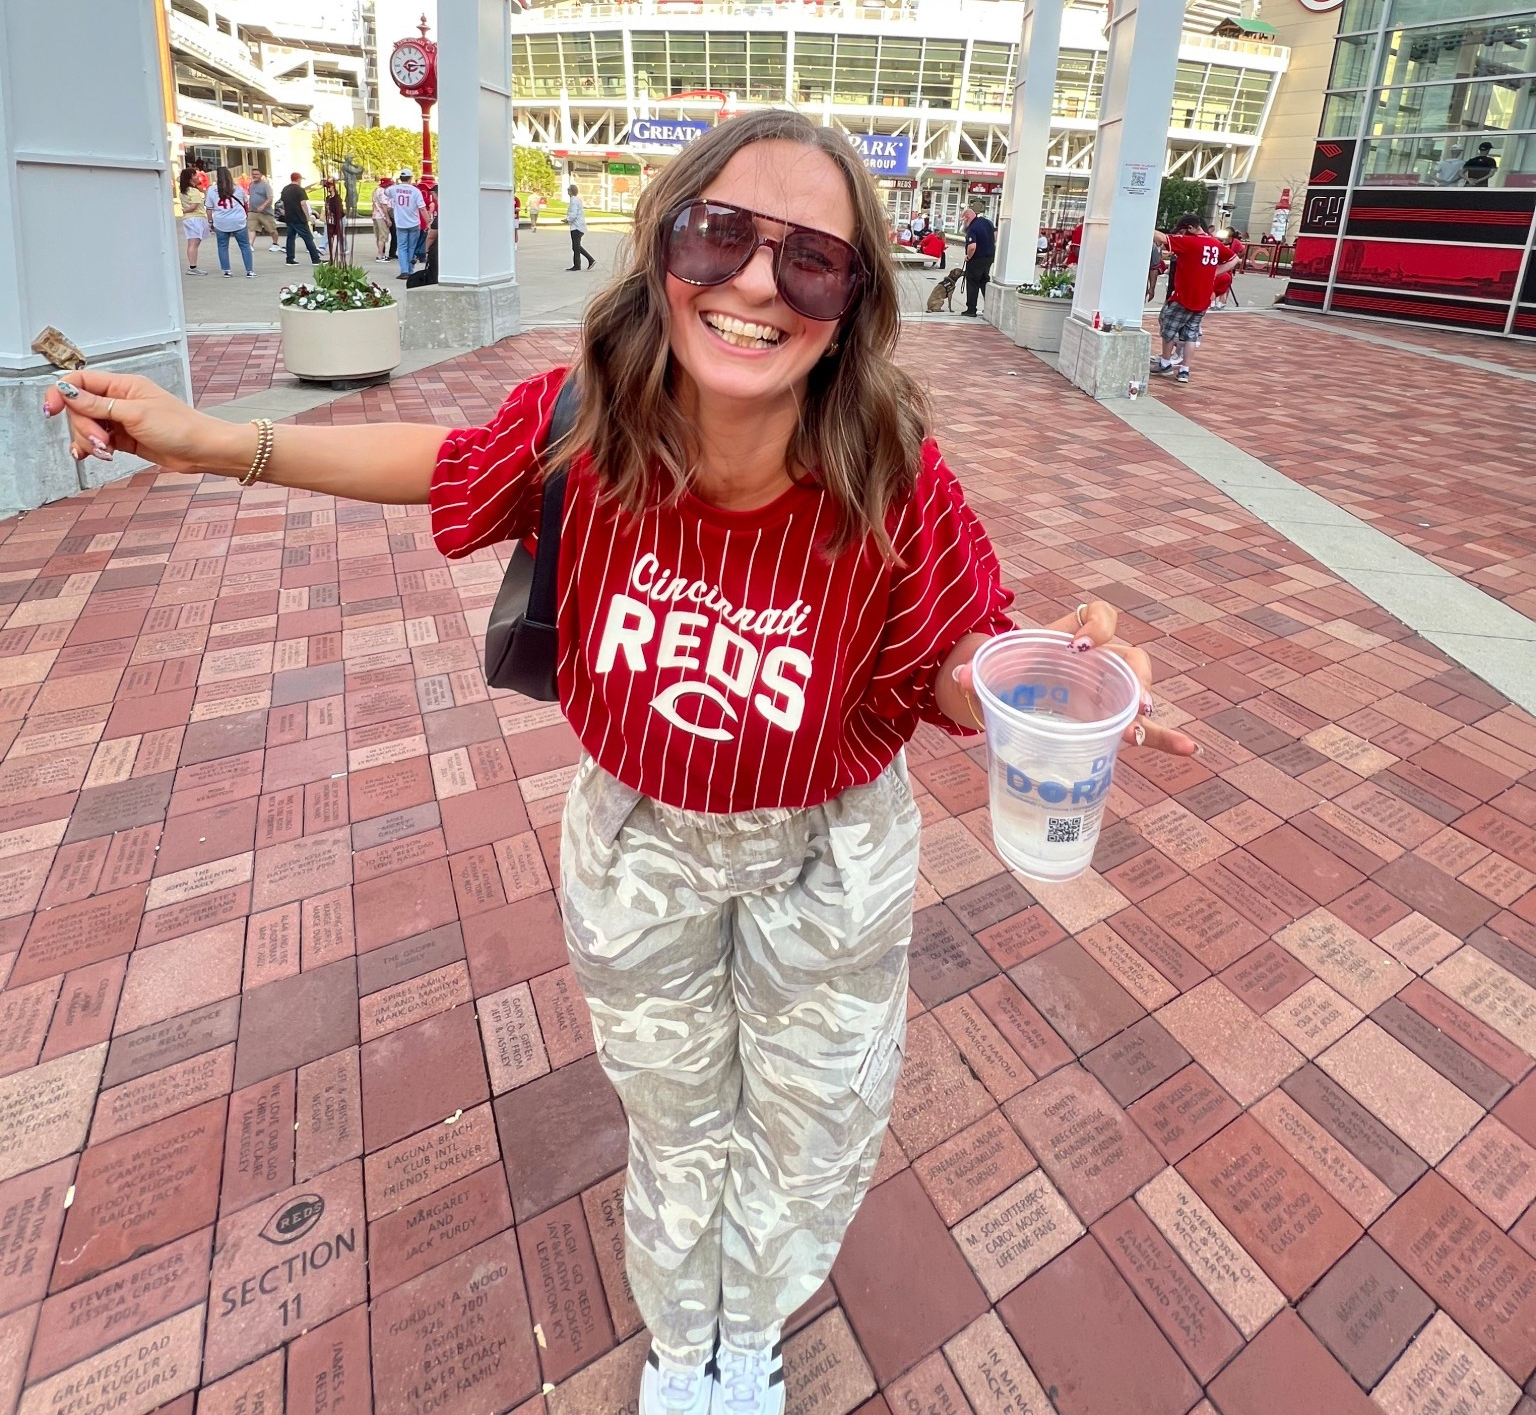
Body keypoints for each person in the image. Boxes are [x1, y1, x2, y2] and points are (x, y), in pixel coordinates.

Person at [45, 108, 1188, 1415]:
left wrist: (1046, 683)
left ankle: (749, 1329)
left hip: (827, 858)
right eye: (723, 236)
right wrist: (204, 442)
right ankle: (682, 1331)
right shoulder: (590, 426)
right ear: (665, 252)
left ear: (852, 302)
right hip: (639, 841)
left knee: (810, 1129)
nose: (759, 283)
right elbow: (446, 464)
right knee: (678, 1112)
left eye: (812, 260)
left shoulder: (889, 474)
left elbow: (943, 660)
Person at [1150, 216, 1241, 385]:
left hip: (1184, 295)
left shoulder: (1189, 242)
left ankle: (1165, 362)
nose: (1181, 235)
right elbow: (1234, 259)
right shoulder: (1214, 243)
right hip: (1203, 296)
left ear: (1191, 228)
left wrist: (1144, 223)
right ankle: (1184, 369)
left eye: (1183, 231)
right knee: (1191, 333)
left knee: (1168, 325)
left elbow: (1162, 238)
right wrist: (1214, 272)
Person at [206, 166, 254, 278]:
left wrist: (210, 221)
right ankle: (249, 270)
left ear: (217, 177)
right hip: (238, 221)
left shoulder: (212, 190)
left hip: (221, 221)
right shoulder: (238, 189)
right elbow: (245, 202)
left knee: (222, 246)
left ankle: (227, 270)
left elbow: (209, 208)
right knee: (244, 246)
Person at [388, 168, 429, 279]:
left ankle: (404, 271)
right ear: (410, 178)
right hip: (414, 223)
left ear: (400, 178)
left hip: (401, 223)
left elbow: (386, 192)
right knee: (412, 247)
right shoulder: (416, 191)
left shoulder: (394, 189)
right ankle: (410, 270)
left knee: (402, 247)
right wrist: (429, 221)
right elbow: (422, 208)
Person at [960, 197, 995, 317]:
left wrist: (968, 257)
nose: (963, 223)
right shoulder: (986, 222)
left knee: (972, 283)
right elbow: (994, 236)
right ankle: (990, 308)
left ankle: (971, 309)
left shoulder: (972, 228)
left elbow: (972, 247)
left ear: (967, 218)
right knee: (984, 282)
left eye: (963, 220)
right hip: (989, 258)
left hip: (976, 260)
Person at [278, 173, 322, 266]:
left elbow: (282, 203)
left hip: (289, 217)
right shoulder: (300, 190)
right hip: (299, 217)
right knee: (308, 238)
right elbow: (303, 204)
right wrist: (307, 217)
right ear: (298, 179)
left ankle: (290, 259)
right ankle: (315, 259)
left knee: (290, 238)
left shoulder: (285, 189)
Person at [180, 177, 207, 275]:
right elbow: (194, 206)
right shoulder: (194, 191)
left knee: (192, 243)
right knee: (194, 243)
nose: (197, 177)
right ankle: (193, 267)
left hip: (189, 219)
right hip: (195, 218)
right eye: (195, 175)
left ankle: (193, 266)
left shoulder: (184, 191)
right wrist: (184, 210)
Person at [567, 180, 596, 271]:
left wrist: (567, 219)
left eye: (568, 189)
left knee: (576, 246)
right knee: (576, 246)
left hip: (576, 226)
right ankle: (578, 264)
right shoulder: (577, 200)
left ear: (571, 191)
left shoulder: (573, 200)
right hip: (579, 226)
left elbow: (573, 214)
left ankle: (589, 260)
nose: (567, 191)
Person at [247, 169, 278, 245]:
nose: (255, 176)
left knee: (272, 230)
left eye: (257, 174)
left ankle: (275, 244)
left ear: (261, 175)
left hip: (265, 212)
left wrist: (263, 206)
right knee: (251, 228)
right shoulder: (251, 185)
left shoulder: (266, 186)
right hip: (253, 211)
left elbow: (270, 198)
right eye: (253, 174)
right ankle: (250, 245)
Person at [323, 180, 347, 263]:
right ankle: (330, 254)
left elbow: (339, 210)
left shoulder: (337, 198)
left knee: (340, 235)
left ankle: (343, 249)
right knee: (330, 236)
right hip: (331, 220)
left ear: (333, 187)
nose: (328, 189)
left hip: (338, 219)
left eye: (329, 187)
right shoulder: (327, 198)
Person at [373, 177, 395, 260]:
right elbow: (384, 206)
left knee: (378, 236)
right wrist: (388, 219)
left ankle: (381, 253)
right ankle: (380, 255)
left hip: (375, 215)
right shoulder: (383, 192)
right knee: (383, 237)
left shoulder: (376, 190)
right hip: (381, 216)